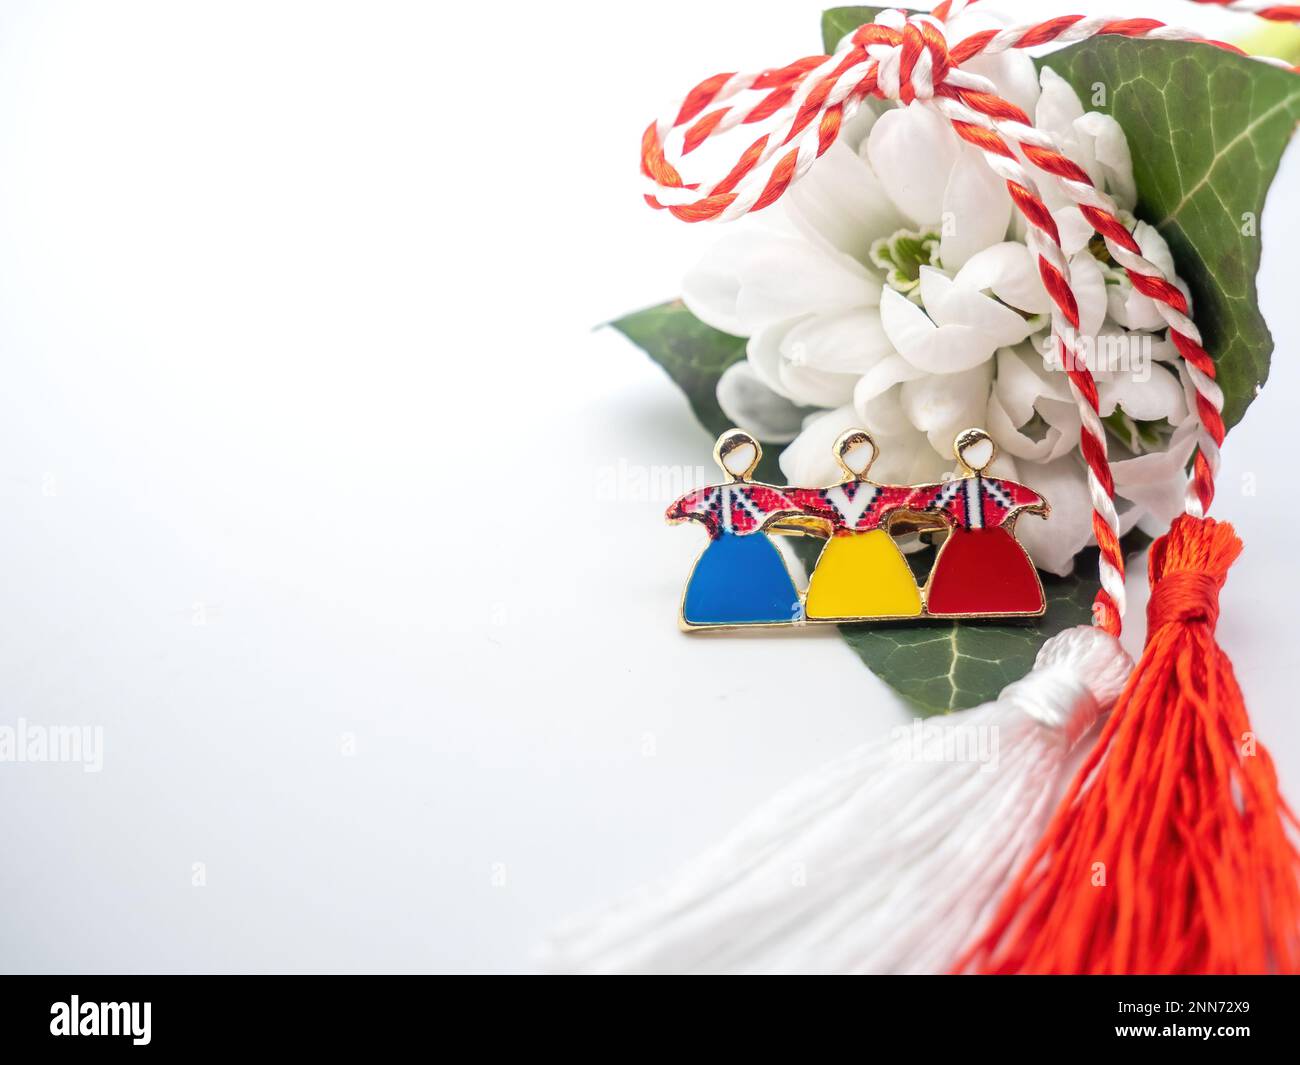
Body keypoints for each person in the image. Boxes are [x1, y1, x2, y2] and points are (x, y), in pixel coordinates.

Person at [666, 430, 803, 628]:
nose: (739, 462)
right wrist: (677, 512)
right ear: (722, 460)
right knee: (716, 585)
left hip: (756, 546)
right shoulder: (712, 494)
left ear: (754, 459)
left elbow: (796, 500)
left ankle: (773, 611)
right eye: (733, 456)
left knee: (766, 584)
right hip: (723, 547)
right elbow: (678, 509)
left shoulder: (761, 493)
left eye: (746, 455)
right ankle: (709, 613)